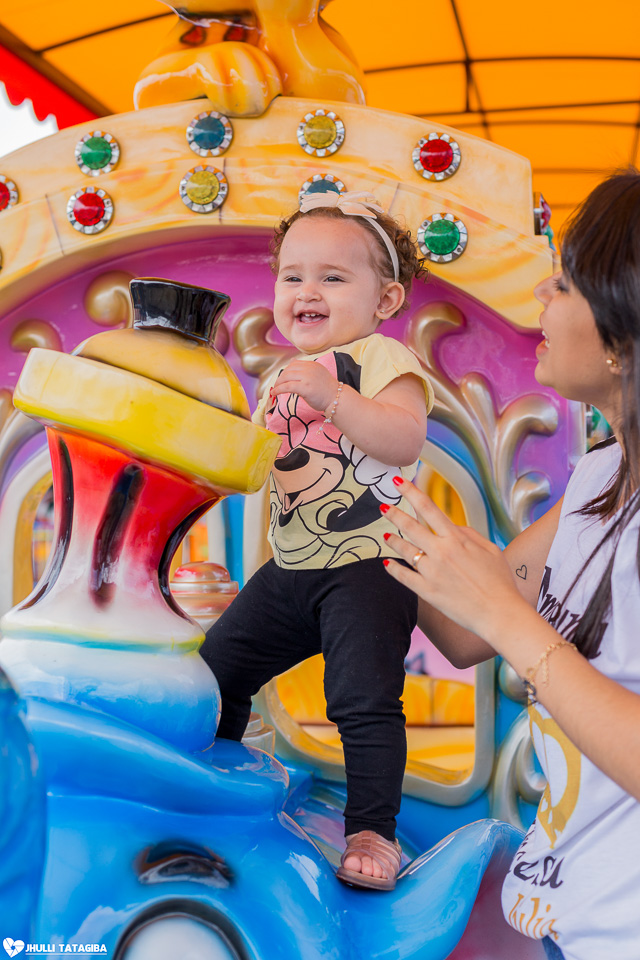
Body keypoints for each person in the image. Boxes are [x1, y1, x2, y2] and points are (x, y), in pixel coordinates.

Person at [382, 170, 640, 959]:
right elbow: (467, 631)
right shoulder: (603, 475)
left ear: (623, 336)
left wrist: (506, 618)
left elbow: (501, 618)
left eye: (565, 282)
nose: (541, 294)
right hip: (564, 913)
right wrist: (352, 494)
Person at [200, 190, 434, 890]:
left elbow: (403, 438)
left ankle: (372, 831)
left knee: (362, 700)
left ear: (385, 299)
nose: (307, 291)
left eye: (333, 277)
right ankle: (213, 781)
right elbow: (258, 464)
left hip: (368, 565)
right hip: (292, 567)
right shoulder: (280, 375)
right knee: (215, 670)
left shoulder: (381, 358)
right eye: (292, 275)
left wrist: (333, 398)